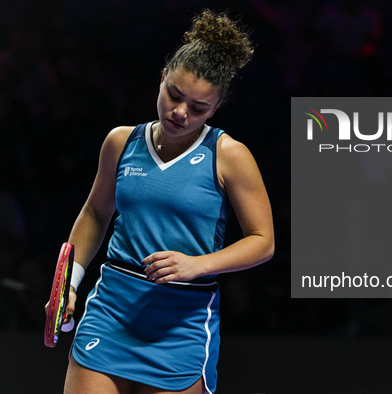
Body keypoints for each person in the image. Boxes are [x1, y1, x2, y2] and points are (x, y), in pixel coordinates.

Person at [47, 10, 274, 394]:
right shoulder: (121, 142)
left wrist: (198, 264)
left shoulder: (230, 156)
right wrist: (72, 281)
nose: (180, 112)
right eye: (174, 94)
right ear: (162, 78)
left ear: (216, 107)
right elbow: (95, 212)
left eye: (199, 108)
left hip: (181, 323)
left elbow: (262, 241)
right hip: (112, 312)